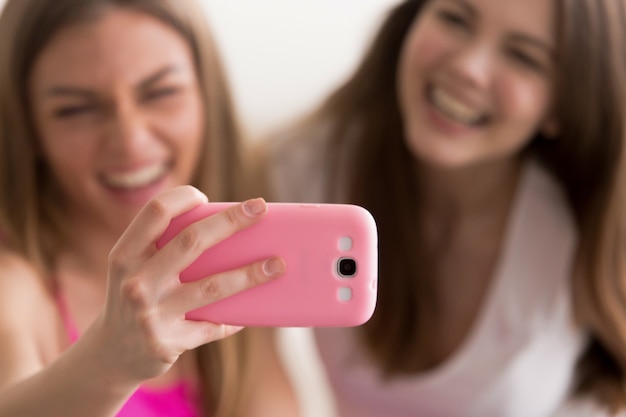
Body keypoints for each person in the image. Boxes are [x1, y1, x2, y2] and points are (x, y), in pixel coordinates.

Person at [263, 0, 626, 416]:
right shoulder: (307, 170)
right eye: (454, 18)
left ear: (563, 105)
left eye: (524, 56)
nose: (469, 67)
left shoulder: (586, 234)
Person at [0, 0, 300, 416]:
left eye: (161, 92)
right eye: (76, 109)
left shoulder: (235, 270)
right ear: (26, 127)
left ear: (206, 99)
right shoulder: (14, 286)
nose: (131, 141)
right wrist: (109, 362)